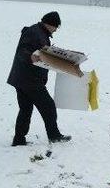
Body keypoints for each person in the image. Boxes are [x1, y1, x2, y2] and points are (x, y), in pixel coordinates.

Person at [7, 11, 71, 146]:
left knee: (25, 109)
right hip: (30, 80)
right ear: (51, 24)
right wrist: (30, 56)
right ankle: (54, 135)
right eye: (56, 27)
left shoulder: (39, 32)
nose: (56, 30)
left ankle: (19, 139)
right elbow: (22, 51)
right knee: (48, 107)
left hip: (22, 78)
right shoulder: (34, 32)